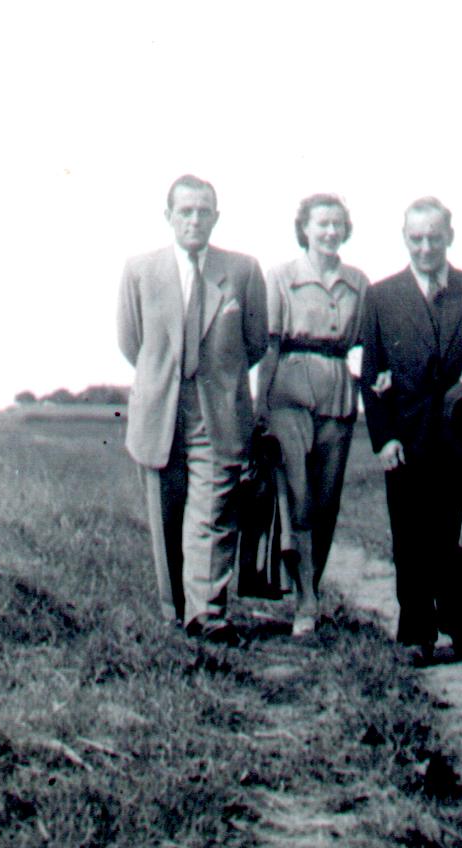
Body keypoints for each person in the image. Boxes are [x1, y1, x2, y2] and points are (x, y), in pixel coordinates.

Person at [117, 175, 268, 642]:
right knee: (166, 512)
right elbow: (132, 342)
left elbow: (255, 342)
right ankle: (174, 611)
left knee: (214, 511)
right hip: (161, 408)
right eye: (186, 211)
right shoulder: (141, 271)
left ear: (216, 217)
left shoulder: (242, 270)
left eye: (204, 211)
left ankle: (208, 615)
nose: (194, 220)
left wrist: (219, 379)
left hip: (216, 411)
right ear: (169, 217)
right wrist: (164, 377)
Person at [360, 196, 462, 665]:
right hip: (407, 438)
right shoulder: (381, 296)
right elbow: (370, 372)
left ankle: (460, 623)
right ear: (405, 239)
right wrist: (384, 438)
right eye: (416, 238)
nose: (425, 248)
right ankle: (416, 632)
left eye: (434, 238)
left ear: (450, 237)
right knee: (411, 537)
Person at [255, 194, 369, 637]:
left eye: (337, 224)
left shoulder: (358, 282)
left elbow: (367, 344)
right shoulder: (281, 277)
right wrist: (260, 406)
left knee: (325, 502)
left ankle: (311, 588)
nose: (330, 232)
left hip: (338, 391)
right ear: (304, 228)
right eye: (322, 224)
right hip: (289, 391)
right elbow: (270, 345)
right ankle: (305, 601)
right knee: (297, 499)